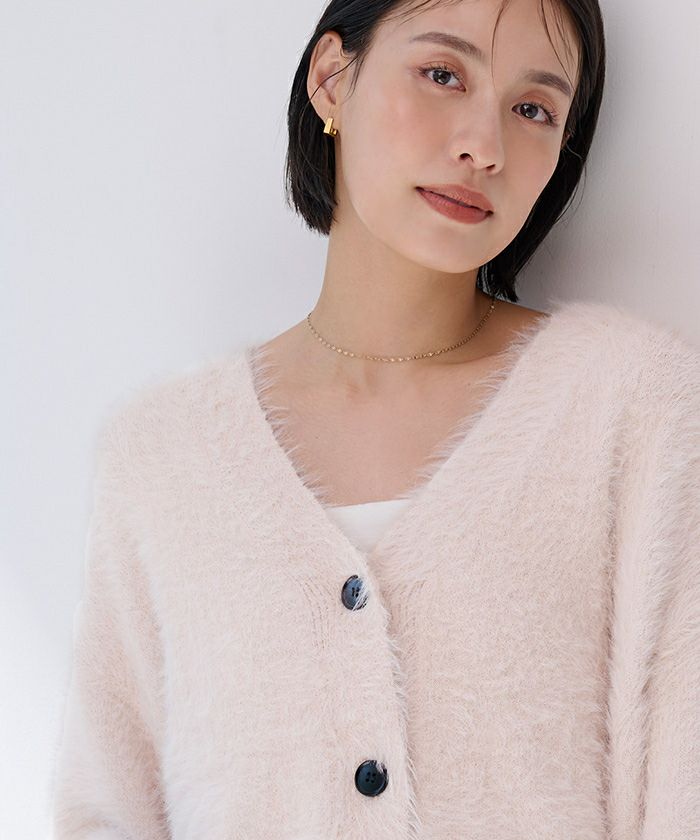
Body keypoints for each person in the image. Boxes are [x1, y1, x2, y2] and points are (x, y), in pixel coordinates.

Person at [50, 0, 700, 837]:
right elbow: (104, 811)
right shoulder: (160, 456)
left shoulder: (633, 408)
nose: (486, 146)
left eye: (534, 109)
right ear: (331, 79)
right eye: (443, 74)